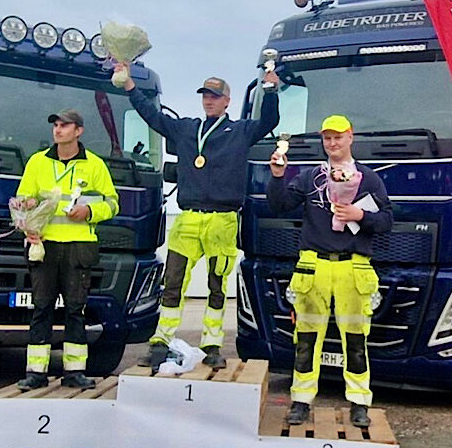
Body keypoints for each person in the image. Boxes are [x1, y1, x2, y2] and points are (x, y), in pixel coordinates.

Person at [115, 61, 279, 370]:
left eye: (215, 96)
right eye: (205, 95)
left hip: (222, 220)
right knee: (173, 282)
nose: (209, 100)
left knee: (217, 286)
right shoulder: (187, 128)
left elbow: (270, 120)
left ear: (227, 101)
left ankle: (212, 345)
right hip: (188, 218)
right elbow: (153, 117)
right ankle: (161, 341)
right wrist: (130, 87)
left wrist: (270, 89)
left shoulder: (241, 130)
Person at [267, 114, 393, 427]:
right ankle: (301, 400)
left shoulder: (368, 179)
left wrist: (359, 215)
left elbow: (387, 221)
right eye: (327, 138)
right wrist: (278, 176)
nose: (332, 143)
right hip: (314, 268)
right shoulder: (310, 177)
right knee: (306, 339)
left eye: (338, 137)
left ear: (351, 137)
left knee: (356, 341)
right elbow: (279, 205)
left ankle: (359, 403)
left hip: (353, 268)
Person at [16, 109, 119, 391]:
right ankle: (36, 372)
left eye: (64, 125)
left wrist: (89, 212)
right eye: (56, 125)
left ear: (78, 131)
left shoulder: (94, 165)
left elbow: (113, 203)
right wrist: (26, 218)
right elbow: (23, 199)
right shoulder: (38, 162)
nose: (58, 130)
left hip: (78, 246)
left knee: (75, 309)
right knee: (41, 307)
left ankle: (74, 372)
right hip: (44, 245)